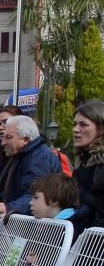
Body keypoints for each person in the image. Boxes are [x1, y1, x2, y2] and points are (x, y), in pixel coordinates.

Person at [0, 115, 61, 217]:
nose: (3, 143)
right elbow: (9, 193)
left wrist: (10, 208)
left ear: (25, 139)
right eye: (3, 137)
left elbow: (33, 195)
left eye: (9, 137)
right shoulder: (20, 157)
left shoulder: (39, 158)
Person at [72, 99, 104, 229]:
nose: (76, 130)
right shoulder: (83, 159)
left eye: (83, 125)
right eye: (74, 124)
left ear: (101, 128)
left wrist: (76, 189)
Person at [30, 173, 85, 239]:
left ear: (54, 200)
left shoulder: (69, 229)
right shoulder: (48, 224)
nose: (31, 202)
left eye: (36, 197)